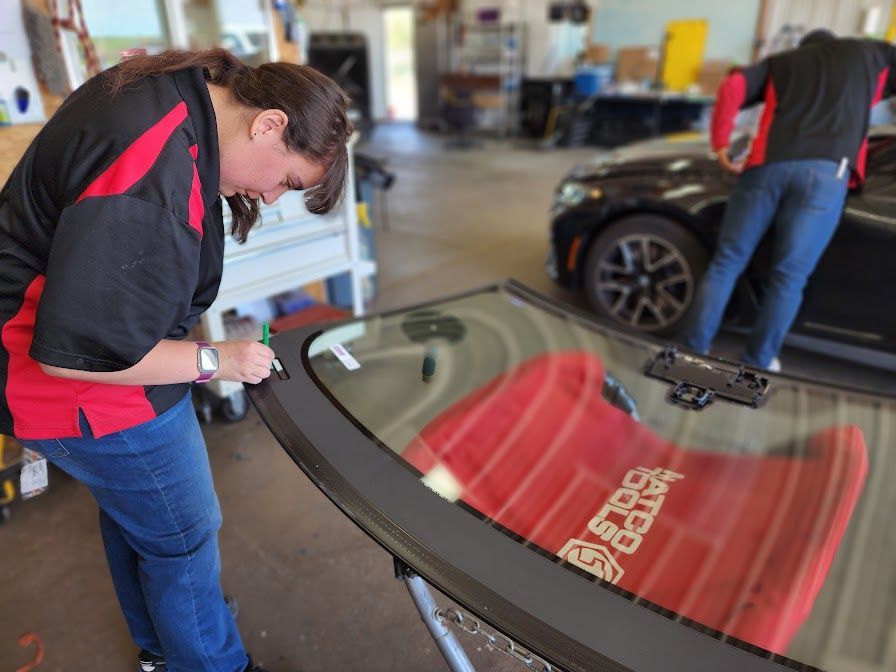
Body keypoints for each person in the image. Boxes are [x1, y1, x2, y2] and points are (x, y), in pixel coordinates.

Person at [0, 49, 352, 671]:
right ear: (269, 123)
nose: (270, 198)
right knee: (184, 534)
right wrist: (218, 359)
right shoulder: (152, 173)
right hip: (69, 384)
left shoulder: (184, 90)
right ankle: (209, 662)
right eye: (287, 181)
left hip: (51, 348)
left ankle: (167, 642)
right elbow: (82, 355)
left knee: (142, 517)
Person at [681, 29, 896, 370]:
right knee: (789, 276)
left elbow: (732, 86)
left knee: (727, 262)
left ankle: (692, 351)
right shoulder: (870, 55)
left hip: (765, 167)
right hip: (826, 174)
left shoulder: (782, 63)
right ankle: (759, 360)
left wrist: (721, 144)